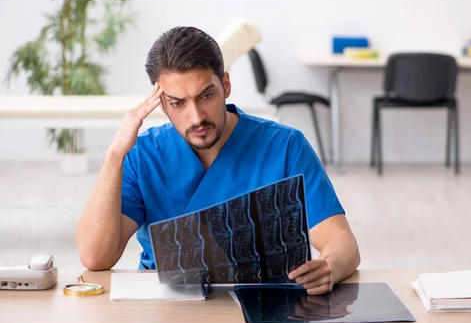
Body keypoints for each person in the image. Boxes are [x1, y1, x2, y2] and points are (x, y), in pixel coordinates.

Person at [76, 26, 360, 295]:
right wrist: (115, 155)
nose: (197, 116)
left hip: (266, 306)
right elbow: (96, 257)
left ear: (225, 84)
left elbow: (341, 242)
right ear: (161, 103)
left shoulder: (284, 146)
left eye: (206, 95)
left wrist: (330, 267)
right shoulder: (143, 155)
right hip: (167, 310)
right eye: (178, 103)